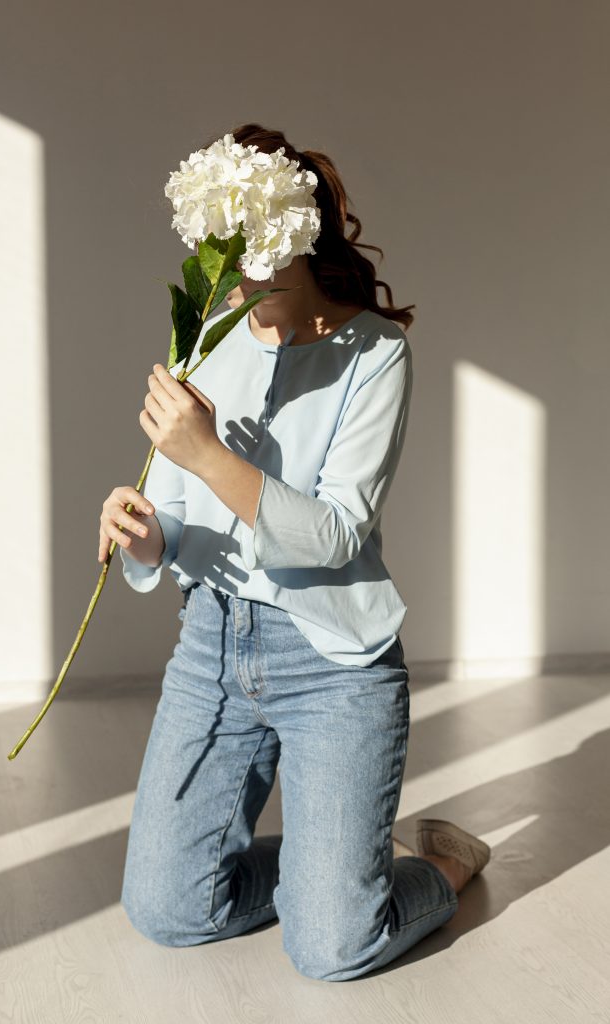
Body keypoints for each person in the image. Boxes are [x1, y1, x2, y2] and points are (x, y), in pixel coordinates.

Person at [98, 124, 491, 982]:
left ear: (294, 226)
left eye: (247, 231)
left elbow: (337, 536)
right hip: (210, 644)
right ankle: (338, 862)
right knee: (166, 911)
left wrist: (206, 452)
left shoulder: (377, 352)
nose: (232, 258)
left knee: (333, 949)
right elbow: (175, 517)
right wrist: (141, 528)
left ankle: (434, 867)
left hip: (334, 667)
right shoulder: (208, 336)